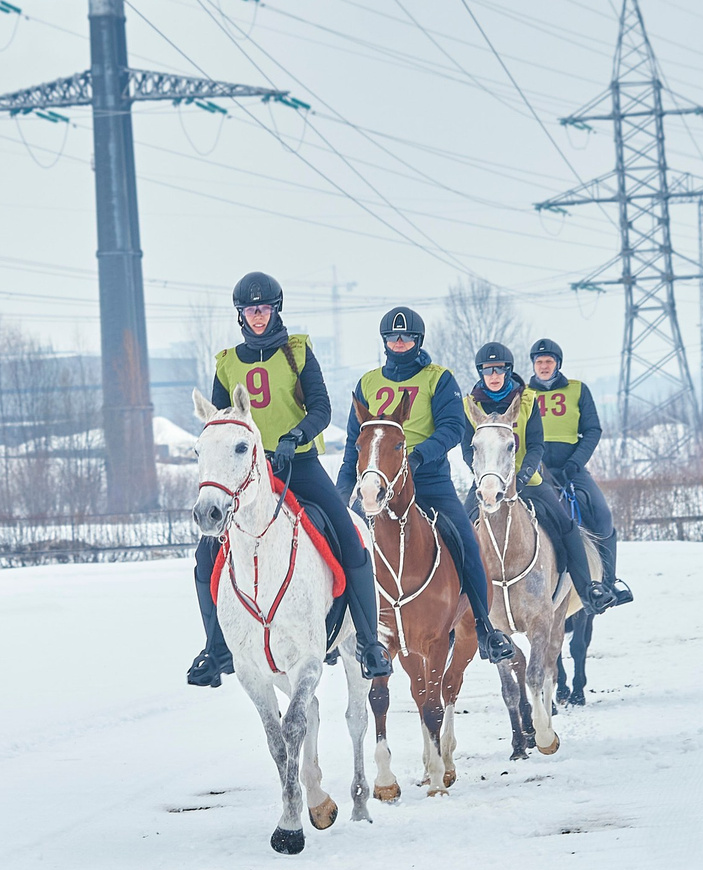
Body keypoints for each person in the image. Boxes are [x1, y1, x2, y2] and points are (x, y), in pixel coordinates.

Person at [187, 273, 391, 688]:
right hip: (248, 477)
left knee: (350, 541)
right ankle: (216, 648)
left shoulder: (297, 352)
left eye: (264, 309)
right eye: (250, 310)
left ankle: (369, 643)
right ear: (241, 315)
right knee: (206, 556)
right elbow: (223, 422)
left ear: (275, 310)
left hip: (299, 464)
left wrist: (294, 437)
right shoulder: (227, 362)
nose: (257, 316)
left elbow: (321, 406)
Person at [335, 307, 517, 665]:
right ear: (385, 342)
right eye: (393, 338)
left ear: (417, 341)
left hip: (428, 480)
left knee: (466, 540)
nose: (399, 343)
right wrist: (344, 492)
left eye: (406, 338)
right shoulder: (368, 383)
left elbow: (452, 429)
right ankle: (339, 626)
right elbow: (354, 440)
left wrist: (417, 458)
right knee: (340, 543)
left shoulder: (439, 378)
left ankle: (484, 627)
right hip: (376, 481)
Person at [463, 342, 616, 613]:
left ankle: (588, 589)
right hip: (487, 483)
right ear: (481, 373)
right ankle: (461, 602)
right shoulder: (470, 406)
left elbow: (535, 445)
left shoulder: (526, 401)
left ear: (509, 371)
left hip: (528, 481)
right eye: (488, 370)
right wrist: (483, 476)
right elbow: (467, 448)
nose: (494, 375)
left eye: (500, 369)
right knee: (461, 530)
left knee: (566, 524)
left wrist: (522, 477)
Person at [527, 337, 630, 607]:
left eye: (549, 361)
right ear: (533, 366)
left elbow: (593, 430)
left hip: (571, 467)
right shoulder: (523, 394)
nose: (544, 366)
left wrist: (575, 462)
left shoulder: (577, 390)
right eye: (539, 362)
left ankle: (609, 581)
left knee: (602, 513)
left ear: (558, 364)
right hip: (534, 470)